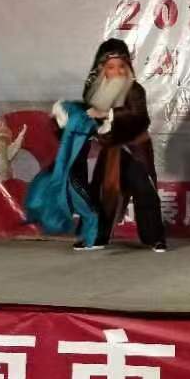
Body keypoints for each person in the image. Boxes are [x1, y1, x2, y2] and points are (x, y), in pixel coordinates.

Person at [71, 38, 167, 252]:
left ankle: (155, 237)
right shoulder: (93, 92)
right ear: (101, 69)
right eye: (111, 67)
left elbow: (140, 118)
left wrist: (108, 114)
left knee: (145, 190)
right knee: (102, 192)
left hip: (134, 149)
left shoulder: (135, 90)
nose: (117, 71)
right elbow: (90, 120)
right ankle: (96, 236)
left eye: (122, 66)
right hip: (111, 150)